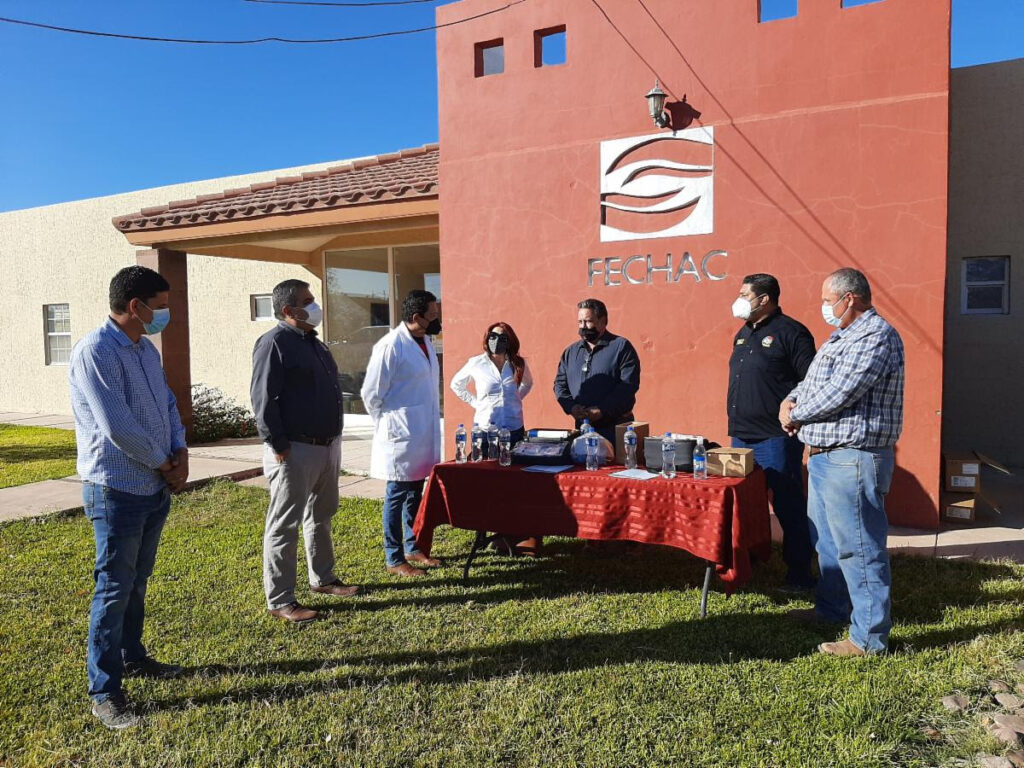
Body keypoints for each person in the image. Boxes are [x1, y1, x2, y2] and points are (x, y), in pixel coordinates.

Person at [69, 265, 189, 730]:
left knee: (137, 581)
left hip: (154, 485)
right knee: (114, 586)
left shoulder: (144, 350)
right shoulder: (95, 351)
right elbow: (117, 426)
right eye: (159, 307)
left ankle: (133, 656)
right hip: (116, 488)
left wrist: (179, 451)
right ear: (135, 307)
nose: (165, 315)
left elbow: (166, 405)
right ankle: (105, 690)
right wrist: (164, 462)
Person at [780, 268, 904, 657]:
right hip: (824, 458)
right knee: (829, 545)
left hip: (852, 458)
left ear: (849, 298)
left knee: (860, 549)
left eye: (826, 299)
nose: (824, 308)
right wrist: (790, 400)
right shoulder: (840, 337)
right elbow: (812, 382)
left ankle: (868, 639)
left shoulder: (875, 335)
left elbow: (842, 392)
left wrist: (797, 415)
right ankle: (832, 610)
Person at [251, 279, 360, 626]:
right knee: (284, 525)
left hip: (326, 446)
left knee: (321, 516)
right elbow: (263, 400)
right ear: (288, 309)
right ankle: (281, 598)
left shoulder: (314, 343)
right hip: (294, 450)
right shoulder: (274, 343)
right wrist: (278, 445)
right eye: (308, 301)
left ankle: (323, 579)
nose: (315, 306)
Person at [727, 273, 817, 591]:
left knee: (787, 504)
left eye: (743, 294)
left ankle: (799, 574)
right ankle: (748, 561)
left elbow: (812, 380)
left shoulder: (792, 333)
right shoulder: (742, 334)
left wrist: (792, 406)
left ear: (764, 299)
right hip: (740, 436)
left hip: (774, 438)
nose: (738, 299)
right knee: (743, 504)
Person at [361, 290, 444, 577]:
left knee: (415, 492)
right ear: (415, 317)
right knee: (396, 495)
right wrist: (388, 423)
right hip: (400, 434)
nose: (437, 320)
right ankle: (394, 557)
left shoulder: (426, 342)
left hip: (421, 433)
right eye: (433, 316)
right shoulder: (390, 346)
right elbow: (371, 393)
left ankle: (413, 546)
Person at [450, 321, 539, 555]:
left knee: (512, 484)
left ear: (510, 340)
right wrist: (476, 403)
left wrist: (515, 399)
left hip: (514, 429)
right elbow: (455, 384)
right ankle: (484, 531)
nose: (496, 340)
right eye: (492, 336)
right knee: (487, 484)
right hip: (487, 432)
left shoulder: (517, 363)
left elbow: (529, 383)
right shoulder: (476, 363)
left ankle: (509, 533)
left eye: (501, 336)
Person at [554, 298, 641, 444]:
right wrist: (571, 407)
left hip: (616, 430)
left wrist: (602, 410)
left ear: (603, 321)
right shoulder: (570, 352)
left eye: (588, 321)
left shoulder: (621, 347)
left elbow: (628, 386)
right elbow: (560, 385)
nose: (583, 326)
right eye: (580, 322)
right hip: (582, 431)